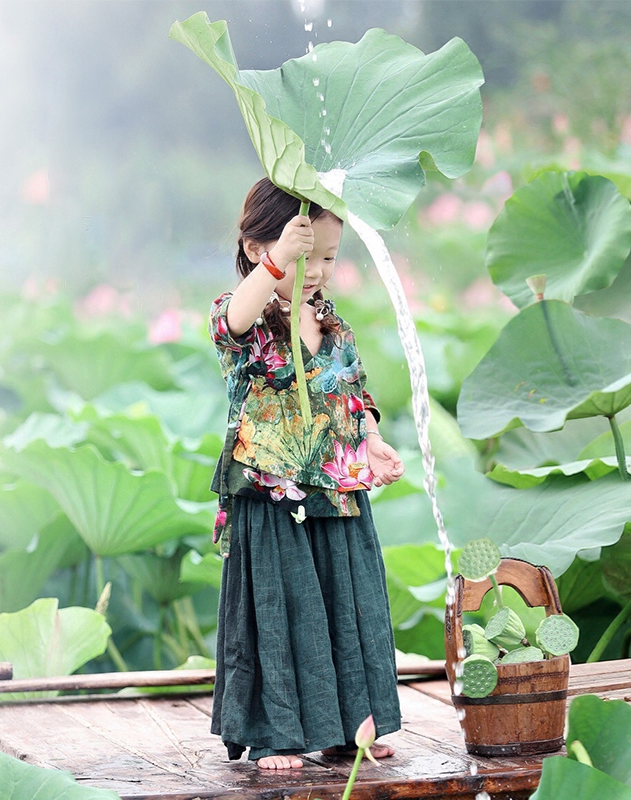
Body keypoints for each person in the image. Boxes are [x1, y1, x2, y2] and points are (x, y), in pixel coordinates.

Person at [208, 177, 405, 770]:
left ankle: (349, 730)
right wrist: (277, 263)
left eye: (327, 257)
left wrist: (372, 441)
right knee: (281, 607)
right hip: (273, 490)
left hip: (337, 486)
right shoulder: (244, 317)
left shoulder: (331, 322)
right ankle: (276, 736)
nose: (316, 270)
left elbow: (354, 393)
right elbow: (232, 321)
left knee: (348, 603)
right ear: (255, 249)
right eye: (304, 256)